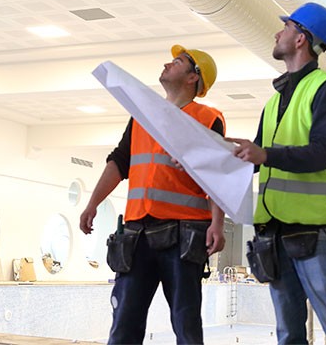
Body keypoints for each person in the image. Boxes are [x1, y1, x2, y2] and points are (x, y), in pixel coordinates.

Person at [229, 3, 326, 345]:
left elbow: (323, 153)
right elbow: (258, 157)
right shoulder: (274, 101)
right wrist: (210, 155)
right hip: (275, 232)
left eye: (285, 27)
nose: (278, 33)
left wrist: (265, 153)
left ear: (301, 39)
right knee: (288, 334)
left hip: (318, 233)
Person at [79, 45, 226, 345]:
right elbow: (120, 161)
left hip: (183, 236)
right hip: (137, 235)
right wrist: (93, 203)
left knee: (186, 327)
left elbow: (218, 176)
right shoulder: (142, 114)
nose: (167, 64)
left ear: (193, 78)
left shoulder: (208, 118)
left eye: (177, 62)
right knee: (123, 326)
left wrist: (218, 224)